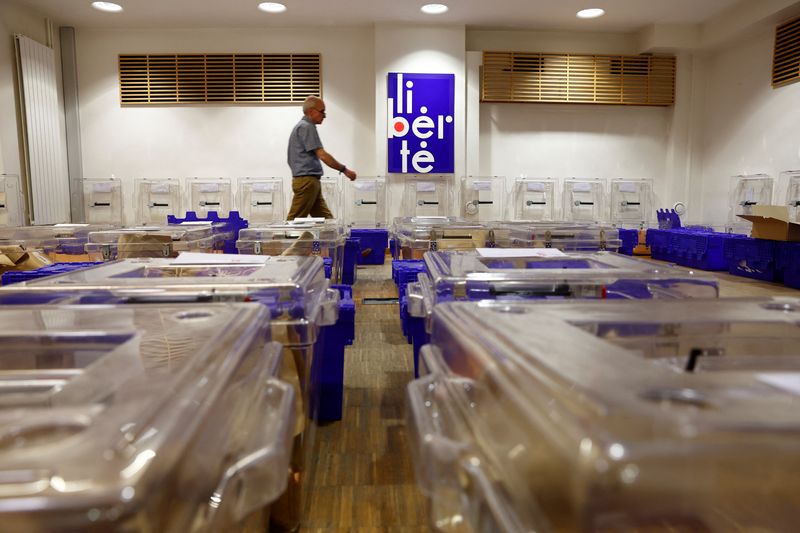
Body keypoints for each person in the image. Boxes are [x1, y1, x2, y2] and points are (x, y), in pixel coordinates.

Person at [286, 95, 357, 220]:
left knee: (326, 221)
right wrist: (344, 170)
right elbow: (322, 155)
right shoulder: (306, 127)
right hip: (306, 181)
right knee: (294, 221)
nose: (324, 115)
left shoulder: (303, 127)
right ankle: (279, 240)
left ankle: (331, 238)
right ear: (312, 112)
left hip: (309, 181)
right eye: (322, 111)